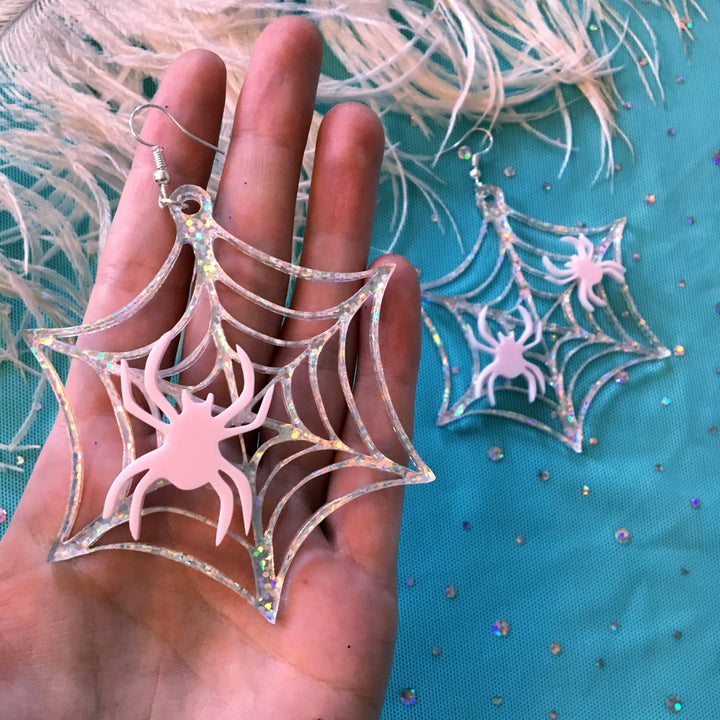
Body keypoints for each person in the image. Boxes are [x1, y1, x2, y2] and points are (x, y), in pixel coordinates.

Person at [0, 17, 421, 720]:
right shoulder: (196, 419)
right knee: (161, 481)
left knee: (174, 480)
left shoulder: (189, 419)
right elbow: (198, 411)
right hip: (190, 463)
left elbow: (231, 413)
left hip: (185, 460)